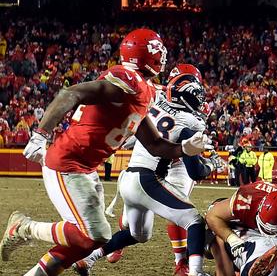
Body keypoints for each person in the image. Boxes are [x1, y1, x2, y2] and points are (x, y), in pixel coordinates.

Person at [0, 29, 212, 276]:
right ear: (147, 54)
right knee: (95, 234)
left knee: (85, 244)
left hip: (86, 168)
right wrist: (40, 134)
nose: (163, 56)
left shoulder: (143, 90)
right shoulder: (127, 81)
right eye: (159, 49)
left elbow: (155, 145)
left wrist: (185, 148)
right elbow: (71, 93)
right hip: (66, 163)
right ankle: (24, 228)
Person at [72, 72, 219, 276]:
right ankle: (196, 272)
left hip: (128, 179)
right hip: (147, 179)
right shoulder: (190, 123)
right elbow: (195, 172)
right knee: (194, 220)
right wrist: (210, 165)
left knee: (138, 234)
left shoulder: (155, 108)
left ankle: (89, 258)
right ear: (190, 96)